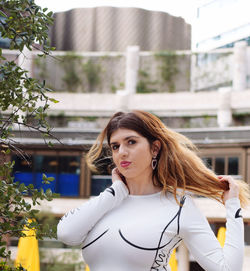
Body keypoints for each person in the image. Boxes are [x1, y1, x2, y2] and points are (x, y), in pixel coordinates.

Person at [57, 110, 250, 271]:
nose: (122, 152)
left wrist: (233, 206)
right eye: (115, 146)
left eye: (131, 142)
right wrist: (115, 192)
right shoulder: (108, 201)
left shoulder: (179, 205)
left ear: (155, 148)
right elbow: (66, 233)